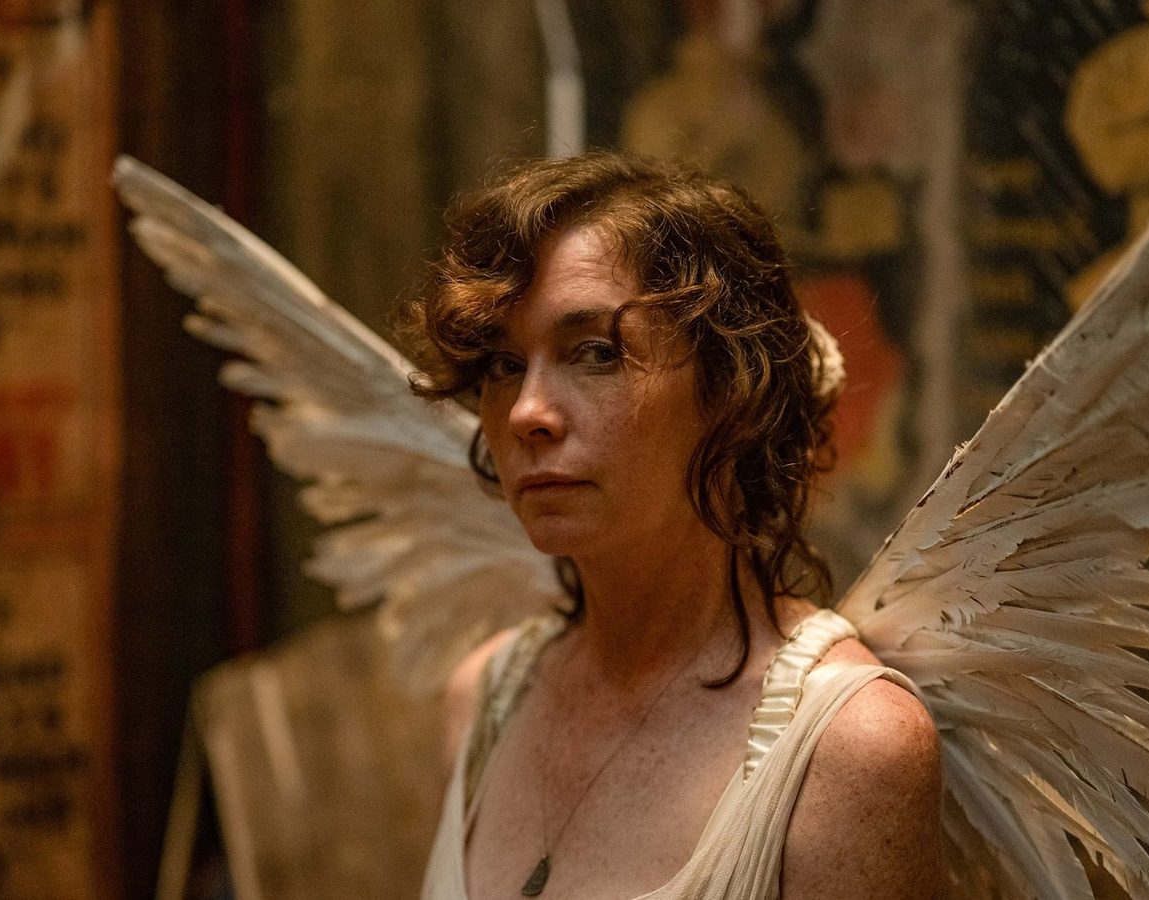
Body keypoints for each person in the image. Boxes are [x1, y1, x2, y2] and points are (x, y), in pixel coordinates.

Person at [401, 152, 943, 899]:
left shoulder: (849, 746)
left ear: (732, 392)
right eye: (502, 365)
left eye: (595, 353)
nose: (527, 412)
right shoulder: (482, 699)